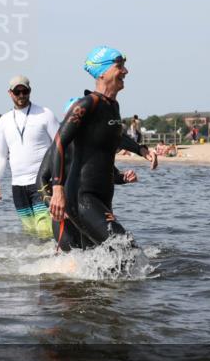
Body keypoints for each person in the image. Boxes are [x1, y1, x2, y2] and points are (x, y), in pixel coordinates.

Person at [39, 46, 157, 251]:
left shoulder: (113, 106)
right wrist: (57, 191)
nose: (125, 71)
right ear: (102, 72)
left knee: (101, 261)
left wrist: (141, 150)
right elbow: (59, 142)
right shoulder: (87, 104)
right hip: (82, 197)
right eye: (120, 66)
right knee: (126, 249)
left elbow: (116, 134)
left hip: (102, 197)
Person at [0, 75, 60, 238]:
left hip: (42, 183)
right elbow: (1, 155)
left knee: (45, 229)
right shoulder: (4, 120)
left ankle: (53, 260)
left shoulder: (45, 114)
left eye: (25, 91)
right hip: (18, 186)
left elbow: (60, 147)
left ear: (30, 91)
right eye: (17, 92)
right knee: (29, 232)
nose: (21, 95)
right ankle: (34, 263)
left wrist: (60, 181)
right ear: (10, 93)